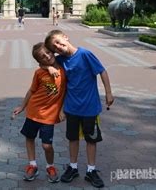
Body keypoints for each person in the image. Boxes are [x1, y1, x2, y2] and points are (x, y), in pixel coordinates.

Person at [44, 29, 114, 188]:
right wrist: (49, 68)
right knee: (73, 138)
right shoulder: (60, 60)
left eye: (57, 42)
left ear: (65, 37)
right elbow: (42, 58)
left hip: (90, 107)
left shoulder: (85, 54)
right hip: (72, 107)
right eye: (54, 48)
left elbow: (102, 71)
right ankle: (73, 167)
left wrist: (108, 93)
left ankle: (91, 170)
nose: (58, 47)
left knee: (91, 139)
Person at [12, 42, 66, 183]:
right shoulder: (39, 72)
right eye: (43, 57)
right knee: (29, 138)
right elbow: (32, 90)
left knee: (46, 145)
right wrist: (22, 106)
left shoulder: (64, 69)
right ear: (39, 61)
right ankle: (33, 165)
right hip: (33, 112)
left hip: (49, 115)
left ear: (53, 52)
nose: (47, 57)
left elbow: (68, 92)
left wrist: (62, 109)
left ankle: (50, 166)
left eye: (48, 53)